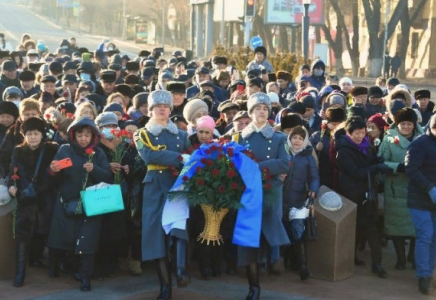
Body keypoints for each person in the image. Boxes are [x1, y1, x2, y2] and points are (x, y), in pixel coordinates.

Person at [134, 90, 190, 300]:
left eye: (166, 106)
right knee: (157, 236)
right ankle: (165, 285)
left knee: (178, 230)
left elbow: (189, 160)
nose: (162, 109)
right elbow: (149, 155)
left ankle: (181, 270)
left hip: (177, 185)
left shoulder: (182, 135)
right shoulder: (143, 134)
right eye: (158, 106)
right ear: (150, 110)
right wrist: (178, 157)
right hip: (155, 186)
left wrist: (183, 159)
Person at [233, 92, 290, 300]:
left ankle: (272, 263)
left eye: (265, 108)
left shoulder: (279, 137)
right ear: (251, 112)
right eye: (258, 108)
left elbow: (285, 163)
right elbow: (231, 165)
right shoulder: (239, 137)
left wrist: (258, 167)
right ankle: (253, 286)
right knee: (250, 242)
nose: (262, 112)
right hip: (247, 195)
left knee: (268, 238)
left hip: (269, 192)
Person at [47, 117, 112, 292]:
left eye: (87, 135)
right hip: (67, 201)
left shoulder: (98, 153)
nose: (83, 139)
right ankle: (63, 267)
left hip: (92, 204)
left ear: (93, 136)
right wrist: (53, 171)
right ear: (73, 135)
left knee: (88, 241)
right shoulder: (65, 150)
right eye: (80, 135)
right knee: (66, 238)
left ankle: (85, 277)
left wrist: (95, 170)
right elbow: (54, 179)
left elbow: (108, 177)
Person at [335, 117, 391, 278]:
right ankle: (350, 258)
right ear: (349, 133)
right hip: (353, 194)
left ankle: (377, 263)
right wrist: (376, 167)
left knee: (371, 228)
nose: (360, 136)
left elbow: (368, 163)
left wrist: (377, 160)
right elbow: (356, 172)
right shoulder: (344, 150)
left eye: (362, 132)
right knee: (354, 228)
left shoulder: (366, 146)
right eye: (356, 133)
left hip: (368, 193)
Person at [8, 117, 59, 287]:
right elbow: (12, 172)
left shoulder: (51, 149)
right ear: (24, 135)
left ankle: (53, 267)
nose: (33, 137)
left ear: (42, 134)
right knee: (23, 236)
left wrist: (52, 173)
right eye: (29, 133)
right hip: (25, 198)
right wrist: (11, 186)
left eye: (36, 133)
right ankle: (20, 272)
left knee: (49, 233)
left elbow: (59, 176)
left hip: (46, 197)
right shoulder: (18, 151)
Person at [380, 108, 423, 271]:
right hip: (395, 188)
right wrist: (398, 167)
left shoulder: (423, 139)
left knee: (416, 226)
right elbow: (381, 161)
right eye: (402, 123)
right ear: (397, 124)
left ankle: (412, 255)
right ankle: (400, 258)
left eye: (409, 124)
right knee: (396, 226)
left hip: (418, 187)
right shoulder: (389, 139)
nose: (406, 127)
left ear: (414, 124)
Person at [283, 125, 320, 280]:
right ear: (289, 139)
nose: (297, 141)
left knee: (298, 231)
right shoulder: (283, 153)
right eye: (294, 137)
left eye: (300, 138)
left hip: (298, 200)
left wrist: (313, 189)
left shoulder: (308, 157)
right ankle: (282, 262)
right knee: (283, 230)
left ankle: (302, 266)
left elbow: (314, 177)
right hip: (279, 198)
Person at [405, 114, 436, 295]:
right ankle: (423, 276)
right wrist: (430, 188)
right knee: (425, 235)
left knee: (434, 239)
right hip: (419, 199)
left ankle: (429, 272)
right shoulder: (420, 143)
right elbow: (411, 168)